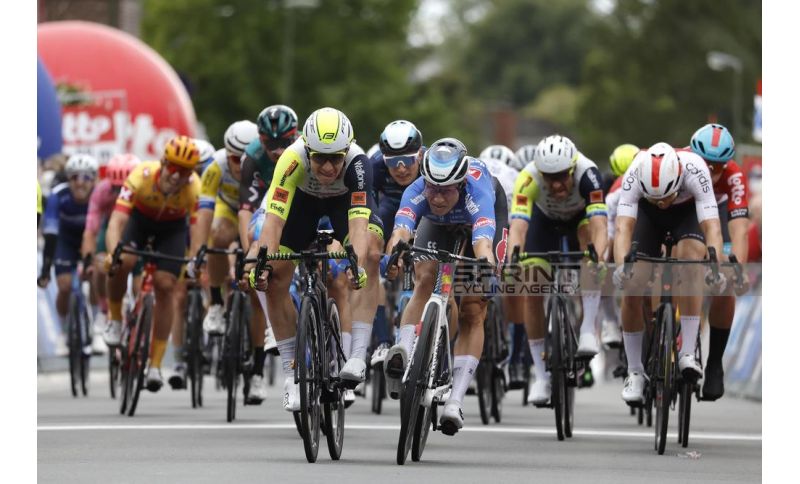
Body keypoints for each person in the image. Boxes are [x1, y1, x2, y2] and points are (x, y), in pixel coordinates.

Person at [244, 107, 384, 412]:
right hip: (302, 205)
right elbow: (274, 222)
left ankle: (355, 355)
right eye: (320, 158)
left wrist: (355, 264)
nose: (329, 167)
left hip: (343, 206)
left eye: (336, 158)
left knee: (371, 252)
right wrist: (263, 264)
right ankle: (292, 374)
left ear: (347, 151)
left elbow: (358, 226)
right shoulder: (291, 159)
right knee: (273, 276)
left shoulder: (358, 164)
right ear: (307, 150)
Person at [384, 137, 508, 435]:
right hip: (437, 225)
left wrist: (486, 269)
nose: (438, 198)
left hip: (479, 221)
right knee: (424, 280)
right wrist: (393, 256)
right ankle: (405, 350)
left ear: (461, 183)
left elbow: (483, 242)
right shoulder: (417, 190)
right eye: (432, 189)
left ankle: (455, 401)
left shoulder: (477, 192)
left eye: (446, 190)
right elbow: (401, 232)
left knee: (474, 308)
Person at [613, 142, 725, 404]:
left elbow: (712, 228)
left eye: (666, 197)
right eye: (657, 198)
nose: (662, 203)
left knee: (690, 264)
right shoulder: (634, 172)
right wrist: (621, 267)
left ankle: (687, 352)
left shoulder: (695, 169)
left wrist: (715, 266)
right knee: (633, 283)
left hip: (687, 214)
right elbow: (623, 229)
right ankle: (635, 372)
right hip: (647, 217)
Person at [507, 135, 608, 405]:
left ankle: (587, 330)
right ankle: (541, 377)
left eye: (562, 176)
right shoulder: (527, 179)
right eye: (550, 178)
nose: (556, 184)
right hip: (544, 223)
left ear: (573, 169)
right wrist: (512, 261)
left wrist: (598, 259)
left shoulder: (589, 174)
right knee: (532, 285)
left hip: (580, 220)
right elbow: (518, 228)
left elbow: (600, 225)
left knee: (590, 250)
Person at [103, 136, 204, 392]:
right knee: (123, 261)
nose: (177, 176)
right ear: (163, 162)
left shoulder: (194, 188)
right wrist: (112, 253)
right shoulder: (141, 175)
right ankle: (115, 319)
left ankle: (156, 364)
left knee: (166, 285)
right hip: (139, 222)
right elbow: (116, 221)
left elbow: (197, 231)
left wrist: (195, 260)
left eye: (185, 171)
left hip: (172, 229)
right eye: (174, 167)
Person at [192, 120, 273, 402]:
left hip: (259, 212)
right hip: (228, 210)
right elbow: (204, 212)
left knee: (258, 295)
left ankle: (258, 372)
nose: (239, 165)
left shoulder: (263, 162)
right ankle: (216, 303)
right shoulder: (215, 166)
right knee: (217, 235)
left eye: (244, 158)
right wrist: (199, 252)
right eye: (234, 159)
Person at [689, 123, 750, 400]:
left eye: (718, 166)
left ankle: (714, 363)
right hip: (685, 214)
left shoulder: (734, 176)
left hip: (718, 216)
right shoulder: (680, 164)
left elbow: (739, 230)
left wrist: (738, 269)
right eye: (706, 164)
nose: (711, 171)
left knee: (726, 281)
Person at [368, 120, 425, 371]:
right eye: (393, 162)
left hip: (424, 207)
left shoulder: (432, 163)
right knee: (371, 255)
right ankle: (382, 340)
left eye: (408, 160)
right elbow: (367, 211)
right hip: (390, 207)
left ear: (420, 155)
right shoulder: (374, 167)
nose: (401, 168)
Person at [38, 154, 99, 355]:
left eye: (86, 177)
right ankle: (64, 332)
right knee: (64, 286)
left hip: (91, 238)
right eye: (74, 177)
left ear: (94, 179)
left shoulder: (99, 195)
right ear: (68, 179)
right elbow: (50, 234)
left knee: (96, 276)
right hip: (64, 240)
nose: (80, 183)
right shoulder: (58, 196)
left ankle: (96, 326)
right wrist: (46, 270)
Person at [79, 153, 141, 346]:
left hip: (137, 226)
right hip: (110, 227)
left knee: (140, 280)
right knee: (100, 266)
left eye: (125, 188)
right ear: (109, 183)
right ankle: (104, 310)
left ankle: (140, 320)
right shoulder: (101, 191)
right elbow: (91, 230)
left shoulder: (145, 188)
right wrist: (88, 260)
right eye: (116, 188)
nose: (121, 193)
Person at [238, 105, 299, 253]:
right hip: (271, 198)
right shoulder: (252, 157)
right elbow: (246, 210)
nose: (278, 151)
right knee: (255, 236)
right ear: (261, 141)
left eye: (284, 143)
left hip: (304, 195)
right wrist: (249, 253)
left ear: (295, 137)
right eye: (271, 144)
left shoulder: (306, 146)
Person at [599, 143, 639, 347]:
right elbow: (605, 226)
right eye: (619, 178)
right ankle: (610, 320)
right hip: (616, 224)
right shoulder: (607, 187)